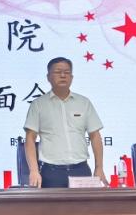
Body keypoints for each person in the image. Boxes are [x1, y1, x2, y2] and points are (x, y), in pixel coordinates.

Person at [24, 57, 107, 188]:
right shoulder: (38, 105)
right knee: (51, 203)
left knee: (85, 203)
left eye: (67, 72)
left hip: (81, 170)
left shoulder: (84, 103)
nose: (63, 75)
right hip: (51, 173)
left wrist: (99, 167)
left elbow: (95, 136)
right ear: (48, 77)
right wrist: (33, 170)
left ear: (72, 77)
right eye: (58, 72)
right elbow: (30, 138)